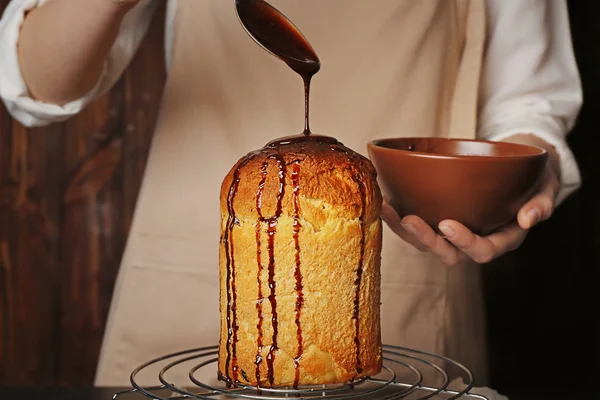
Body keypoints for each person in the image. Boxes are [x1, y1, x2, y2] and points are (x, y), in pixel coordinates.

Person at [0, 0, 582, 388]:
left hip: (411, 272)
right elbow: (35, 81)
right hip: (178, 296)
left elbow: (529, 103)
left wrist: (527, 173)